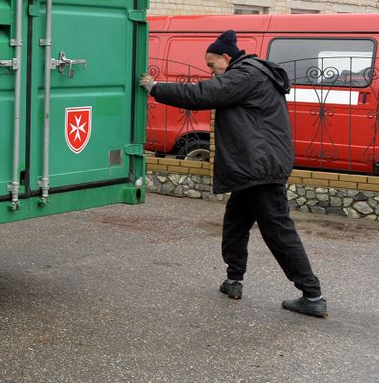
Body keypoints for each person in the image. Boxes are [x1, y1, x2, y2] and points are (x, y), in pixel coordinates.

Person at [139, 29, 327, 318]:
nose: (211, 71)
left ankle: (312, 295)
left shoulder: (246, 74)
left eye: (212, 65)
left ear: (226, 57)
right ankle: (233, 280)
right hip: (252, 167)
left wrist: (155, 88)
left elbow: (203, 94)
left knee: (278, 230)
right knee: (236, 223)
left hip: (259, 167)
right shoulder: (247, 74)